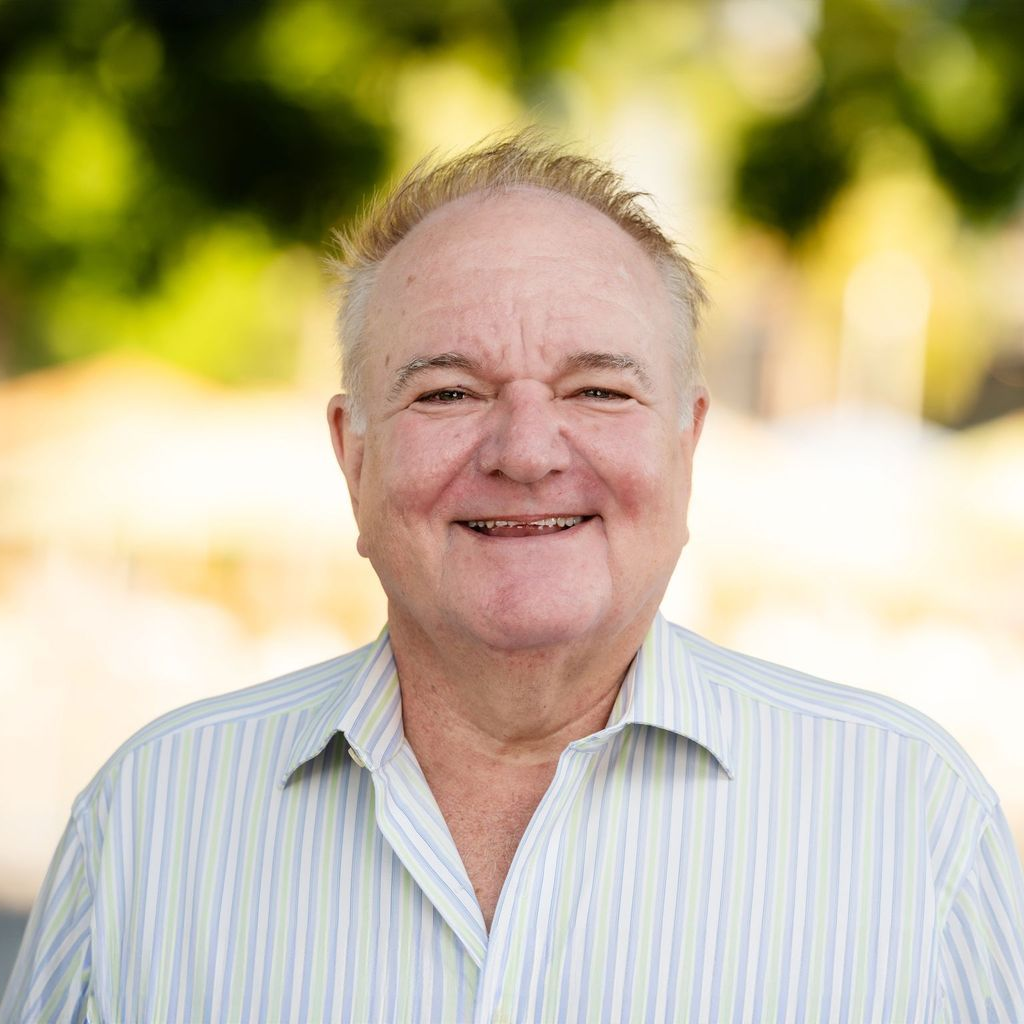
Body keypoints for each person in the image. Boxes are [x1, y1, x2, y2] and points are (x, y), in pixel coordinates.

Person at [3, 134, 1023, 1024]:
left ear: (687, 444)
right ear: (353, 456)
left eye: (598, 388)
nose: (529, 450)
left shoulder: (913, 821)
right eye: (449, 390)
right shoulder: (145, 823)